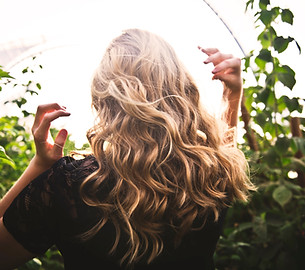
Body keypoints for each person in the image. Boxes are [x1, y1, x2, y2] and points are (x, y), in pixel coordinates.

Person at [0, 29, 255, 269]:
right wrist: (232, 94)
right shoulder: (212, 172)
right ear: (180, 88)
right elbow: (223, 150)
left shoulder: (69, 185)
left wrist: (40, 166)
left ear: (104, 99)